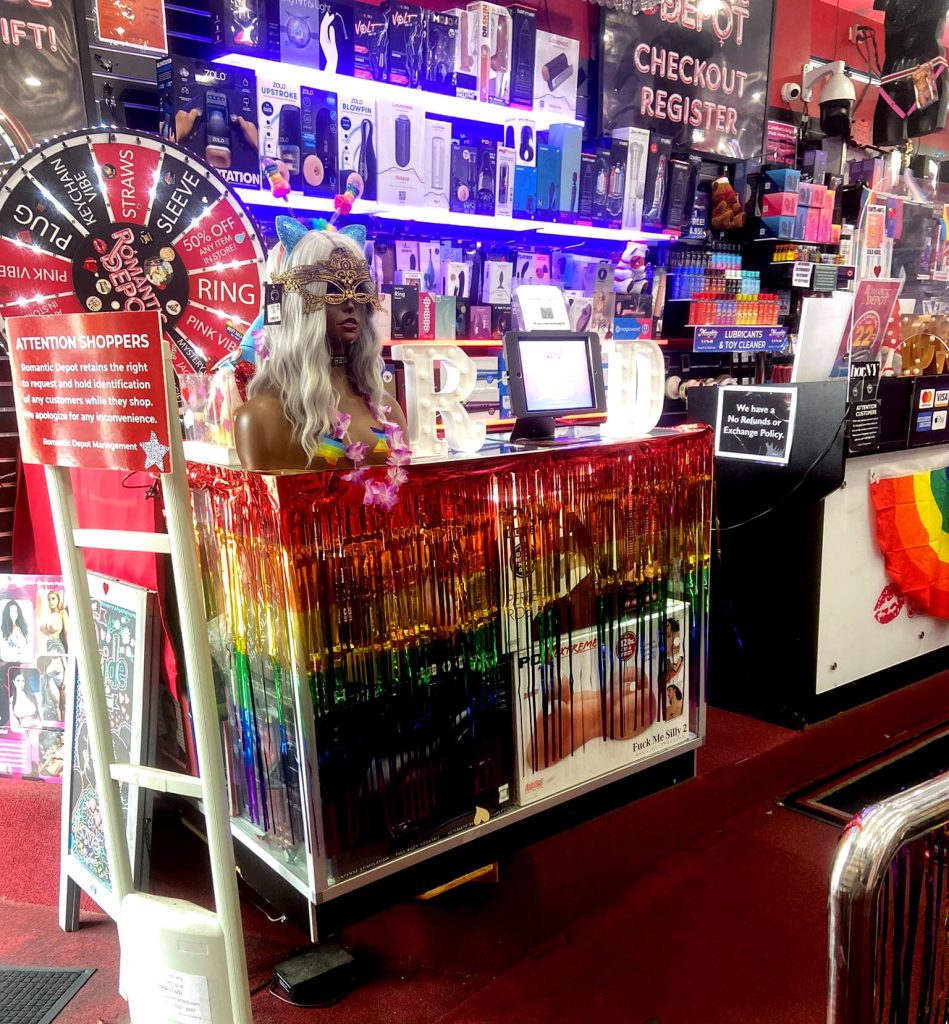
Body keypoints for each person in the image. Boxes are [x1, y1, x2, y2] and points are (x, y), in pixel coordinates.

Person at [235, 225, 410, 482]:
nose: (350, 303)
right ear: (297, 304)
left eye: (360, 290)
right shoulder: (261, 419)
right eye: (332, 290)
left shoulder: (388, 411)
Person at [39, 655, 67, 724]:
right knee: (56, 705)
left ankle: (64, 724)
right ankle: (61, 725)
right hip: (50, 679)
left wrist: (65, 681)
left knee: (64, 705)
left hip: (62, 677)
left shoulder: (62, 658)